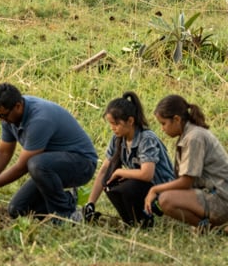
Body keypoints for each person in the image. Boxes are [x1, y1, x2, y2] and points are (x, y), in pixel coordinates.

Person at [0, 83, 97, 222]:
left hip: (81, 164)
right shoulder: (8, 117)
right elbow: (3, 153)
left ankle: (66, 216)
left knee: (35, 164)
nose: (1, 120)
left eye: (3, 115)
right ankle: (66, 199)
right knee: (17, 210)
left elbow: (21, 167)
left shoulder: (39, 119)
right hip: (50, 167)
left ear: (18, 106)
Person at [84, 91, 174, 227]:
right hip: (144, 185)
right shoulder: (118, 139)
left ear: (130, 121)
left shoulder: (146, 138)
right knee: (108, 182)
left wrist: (120, 172)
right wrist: (90, 203)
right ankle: (131, 221)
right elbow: (104, 171)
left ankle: (145, 218)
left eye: (115, 124)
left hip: (162, 188)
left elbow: (147, 174)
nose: (112, 128)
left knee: (127, 186)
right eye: (110, 124)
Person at [144, 94, 228, 230]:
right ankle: (209, 226)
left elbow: (186, 182)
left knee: (166, 200)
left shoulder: (194, 137)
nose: (162, 129)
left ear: (176, 119)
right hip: (213, 194)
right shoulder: (188, 135)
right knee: (166, 197)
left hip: (222, 199)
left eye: (163, 123)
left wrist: (154, 189)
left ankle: (208, 228)